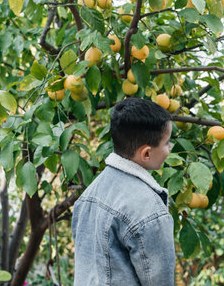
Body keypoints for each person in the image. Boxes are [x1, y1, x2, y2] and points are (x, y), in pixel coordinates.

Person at [72, 97, 175, 285]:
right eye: (167, 142)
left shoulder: (89, 194)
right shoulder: (149, 209)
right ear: (146, 154)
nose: (170, 147)